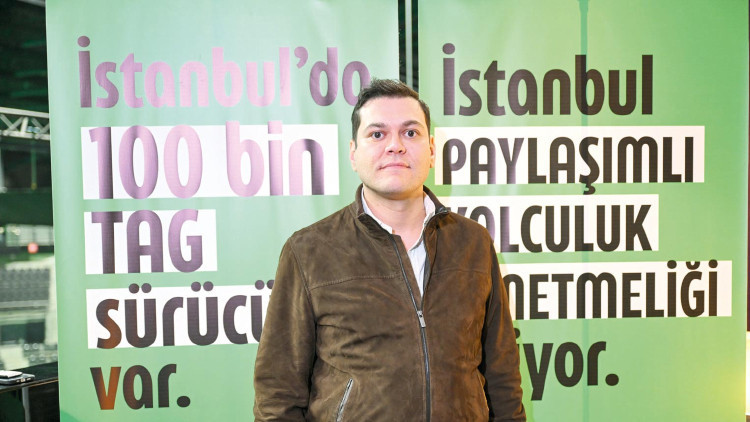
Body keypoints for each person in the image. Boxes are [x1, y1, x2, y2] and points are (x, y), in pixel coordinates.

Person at [253, 79, 525, 421]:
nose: (395, 146)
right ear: (353, 153)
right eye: (377, 134)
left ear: (431, 150)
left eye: (410, 133)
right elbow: (277, 394)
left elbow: (502, 377)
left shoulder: (473, 243)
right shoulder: (309, 251)